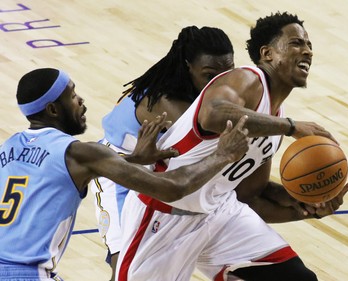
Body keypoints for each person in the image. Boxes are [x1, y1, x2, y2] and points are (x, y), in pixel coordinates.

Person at [115, 12, 348, 281]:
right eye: (296, 43)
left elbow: (249, 196)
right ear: (267, 54)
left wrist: (306, 205)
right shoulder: (247, 80)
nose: (307, 51)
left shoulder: (274, 119)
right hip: (163, 213)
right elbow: (213, 114)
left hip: (220, 214)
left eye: (309, 45)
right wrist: (291, 127)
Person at [0, 67, 250, 280]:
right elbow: (173, 188)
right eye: (73, 95)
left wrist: (133, 160)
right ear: (53, 110)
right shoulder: (79, 153)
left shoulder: (9, 146)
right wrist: (223, 155)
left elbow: (57, 171)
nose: (81, 101)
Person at [90, 25, 235, 279]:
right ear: (188, 65)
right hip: (118, 172)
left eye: (227, 74)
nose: (219, 83)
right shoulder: (167, 102)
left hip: (155, 172)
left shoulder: (198, 91)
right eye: (210, 74)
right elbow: (212, 150)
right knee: (124, 262)